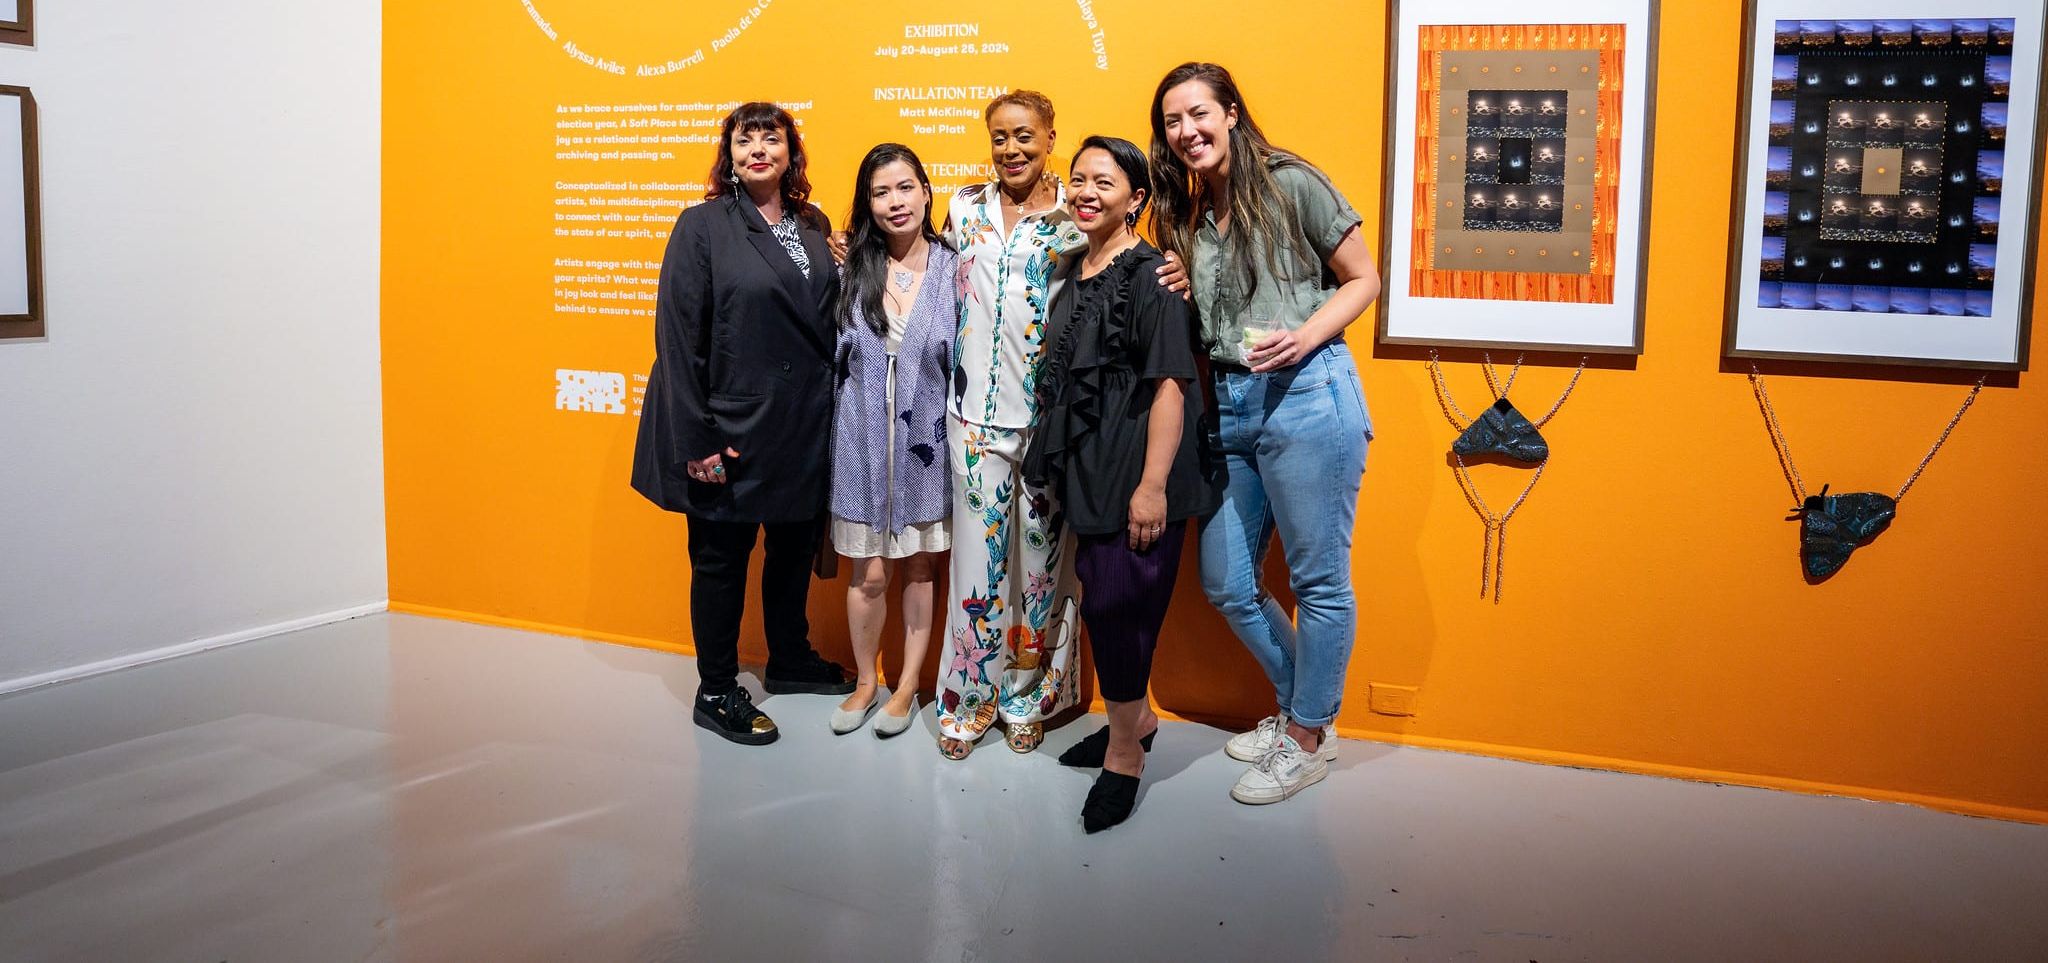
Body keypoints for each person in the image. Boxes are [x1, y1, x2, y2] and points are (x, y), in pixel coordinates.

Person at [1150, 63, 1379, 803]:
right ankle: (1303, 712)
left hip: (1308, 396)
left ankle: (1309, 736)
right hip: (1232, 404)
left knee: (1318, 580)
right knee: (1226, 581)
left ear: (1232, 114)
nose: (1186, 131)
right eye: (1172, 122)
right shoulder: (1185, 214)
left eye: (1198, 114)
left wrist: (1306, 336)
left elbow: (1363, 279)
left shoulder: (1291, 183)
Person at [631, 101, 856, 747]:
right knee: (720, 560)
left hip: (799, 426)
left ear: (792, 152)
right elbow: (676, 337)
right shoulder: (702, 226)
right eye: (744, 138)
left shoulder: (814, 225)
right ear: (728, 154)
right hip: (727, 424)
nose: (758, 148)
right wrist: (694, 438)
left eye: (771, 137)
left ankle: (788, 657)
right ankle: (717, 687)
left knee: (788, 553)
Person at [1027, 136, 1219, 832]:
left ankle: (1125, 754)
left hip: (1138, 465)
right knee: (1104, 601)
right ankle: (1136, 719)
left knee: (1120, 605)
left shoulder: (1151, 275)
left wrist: (1153, 486)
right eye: (1076, 179)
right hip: (1090, 463)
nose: (1084, 192)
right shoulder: (1077, 267)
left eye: (1102, 182)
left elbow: (1171, 381)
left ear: (1135, 198)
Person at [933, 90, 1089, 759]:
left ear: (1051, 136)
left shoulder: (1076, 215)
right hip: (973, 420)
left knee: (1042, 570)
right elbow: (932, 275)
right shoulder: (963, 208)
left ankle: (1030, 694)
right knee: (976, 566)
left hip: (1047, 421)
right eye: (999, 137)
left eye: (1024, 135)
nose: (1011, 149)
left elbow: (1118, 274)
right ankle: (969, 698)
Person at [826, 144, 956, 737]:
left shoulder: (958, 267)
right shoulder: (849, 264)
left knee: (922, 568)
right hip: (860, 441)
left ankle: (906, 686)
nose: (895, 202)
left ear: (927, 193)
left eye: (905, 187)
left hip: (926, 442)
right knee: (870, 574)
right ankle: (865, 680)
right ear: (868, 203)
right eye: (881, 192)